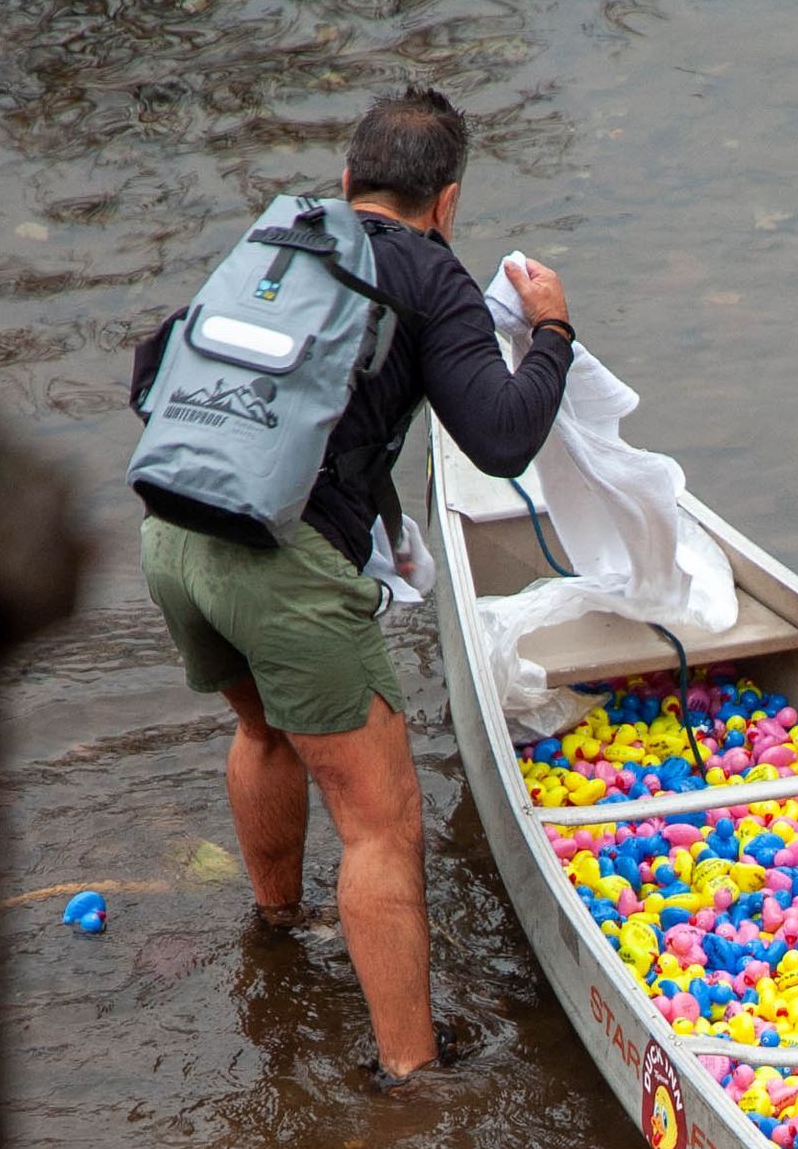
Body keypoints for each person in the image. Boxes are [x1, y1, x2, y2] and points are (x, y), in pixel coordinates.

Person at [137, 86, 575, 1081]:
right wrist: (551, 332)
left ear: (346, 180)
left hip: (173, 530)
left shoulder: (282, 239)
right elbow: (503, 437)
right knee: (380, 822)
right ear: (449, 200)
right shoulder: (432, 273)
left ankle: (278, 926)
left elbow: (166, 375)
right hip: (279, 567)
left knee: (260, 728)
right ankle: (412, 1079)